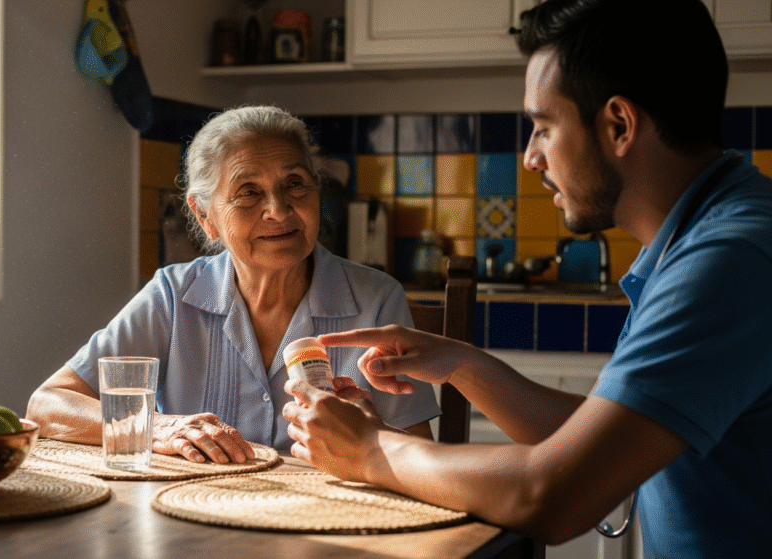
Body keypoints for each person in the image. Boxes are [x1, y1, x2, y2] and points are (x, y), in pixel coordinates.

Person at [282, 1, 772, 556]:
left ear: (618, 125)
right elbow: (604, 437)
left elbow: (553, 494)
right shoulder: (707, 236)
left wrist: (372, 451)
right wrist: (462, 364)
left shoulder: (730, 260)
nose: (530, 158)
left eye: (542, 128)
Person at [27, 105, 438, 464]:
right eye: (248, 192)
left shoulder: (377, 300)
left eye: (294, 183)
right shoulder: (173, 296)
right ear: (205, 216)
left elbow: (421, 457)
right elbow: (47, 405)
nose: (278, 210)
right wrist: (159, 428)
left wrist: (372, 437)